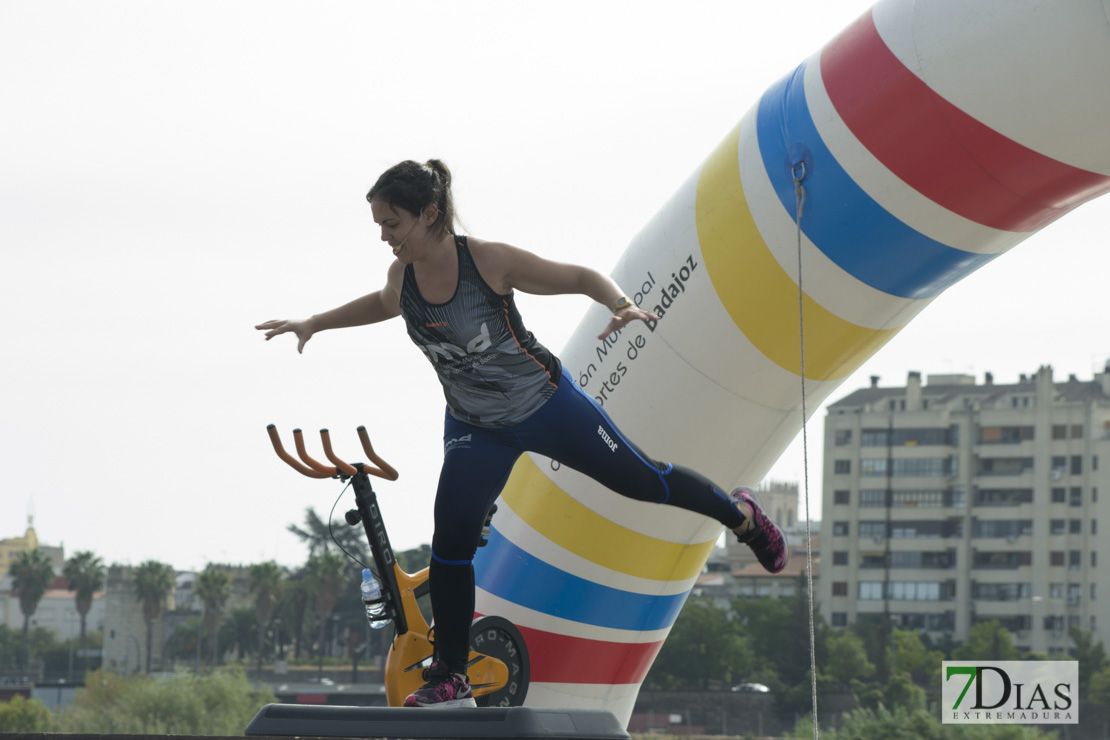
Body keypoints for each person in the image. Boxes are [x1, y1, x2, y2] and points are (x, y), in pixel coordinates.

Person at [256, 159, 788, 709]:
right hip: (474, 427)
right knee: (451, 543)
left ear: (430, 214)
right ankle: (452, 673)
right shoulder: (404, 279)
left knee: (643, 483)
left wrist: (621, 304)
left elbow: (580, 277)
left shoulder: (487, 262)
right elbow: (383, 305)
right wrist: (314, 323)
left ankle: (741, 516)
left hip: (546, 406)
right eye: (380, 227)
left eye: (392, 224)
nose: (385, 238)